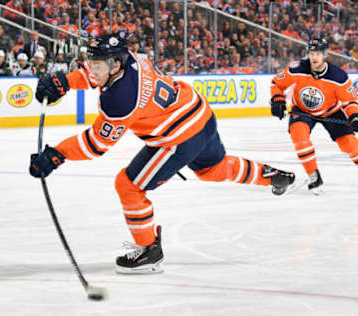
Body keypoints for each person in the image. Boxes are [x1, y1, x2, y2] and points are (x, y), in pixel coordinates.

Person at [30, 34, 299, 274]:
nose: (92, 70)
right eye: (92, 63)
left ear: (114, 65)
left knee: (128, 186)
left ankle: (148, 250)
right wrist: (64, 81)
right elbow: (94, 74)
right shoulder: (129, 59)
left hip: (178, 138)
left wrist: (56, 155)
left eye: (97, 66)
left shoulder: (120, 100)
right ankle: (271, 176)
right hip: (198, 113)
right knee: (213, 170)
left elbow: (95, 145)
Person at [270, 38, 358, 195]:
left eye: (318, 53)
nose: (314, 57)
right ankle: (313, 176)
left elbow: (350, 101)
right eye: (311, 53)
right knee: (299, 136)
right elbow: (276, 83)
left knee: (350, 144)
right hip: (302, 110)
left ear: (325, 55)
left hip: (331, 111)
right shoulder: (297, 68)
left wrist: (354, 116)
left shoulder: (338, 76)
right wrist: (277, 99)